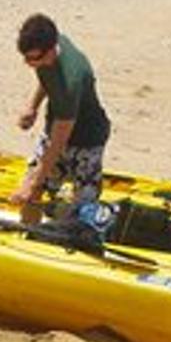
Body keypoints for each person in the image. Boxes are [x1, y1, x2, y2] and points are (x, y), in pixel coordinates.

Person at [11, 13, 111, 225]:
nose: (29, 64)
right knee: (35, 189)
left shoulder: (70, 81)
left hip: (86, 140)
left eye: (34, 58)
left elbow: (58, 142)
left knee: (81, 208)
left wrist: (33, 181)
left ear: (51, 49)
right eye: (26, 58)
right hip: (57, 125)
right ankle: (28, 233)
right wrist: (33, 106)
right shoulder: (49, 49)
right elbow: (47, 77)